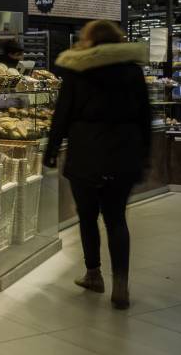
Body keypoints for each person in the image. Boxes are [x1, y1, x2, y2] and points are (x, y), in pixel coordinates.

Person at [43, 20, 150, 310]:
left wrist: (51, 150)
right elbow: (145, 115)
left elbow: (62, 114)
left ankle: (94, 274)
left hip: (86, 151)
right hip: (124, 152)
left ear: (88, 41)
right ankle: (121, 285)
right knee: (116, 219)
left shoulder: (78, 70)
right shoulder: (133, 71)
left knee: (88, 217)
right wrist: (145, 154)